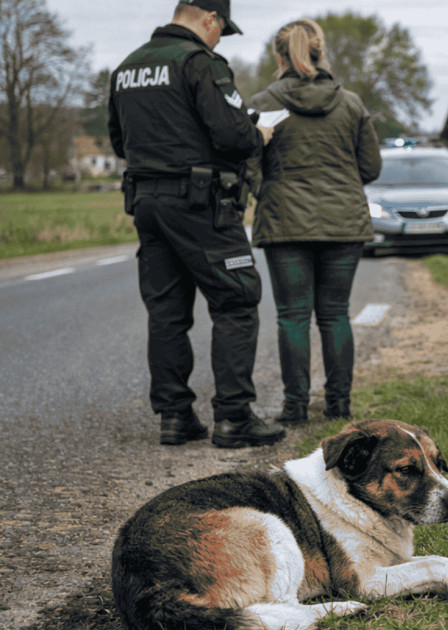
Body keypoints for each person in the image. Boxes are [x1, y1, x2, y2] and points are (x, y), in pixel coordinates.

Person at [108, 0, 286, 448]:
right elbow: (233, 137)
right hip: (201, 205)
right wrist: (259, 133)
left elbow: (118, 142)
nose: (219, 38)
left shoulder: (127, 68)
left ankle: (175, 417)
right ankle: (234, 417)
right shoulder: (200, 63)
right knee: (237, 301)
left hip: (146, 203)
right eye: (221, 29)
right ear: (209, 19)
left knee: (166, 312)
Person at [250, 18, 383, 425]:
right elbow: (371, 167)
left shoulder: (264, 104)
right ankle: (339, 405)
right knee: (335, 313)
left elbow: (248, 164)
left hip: (284, 222)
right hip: (343, 222)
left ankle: (294, 407)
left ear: (279, 57)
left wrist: (268, 190)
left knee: (292, 316)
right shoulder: (352, 104)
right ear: (321, 51)